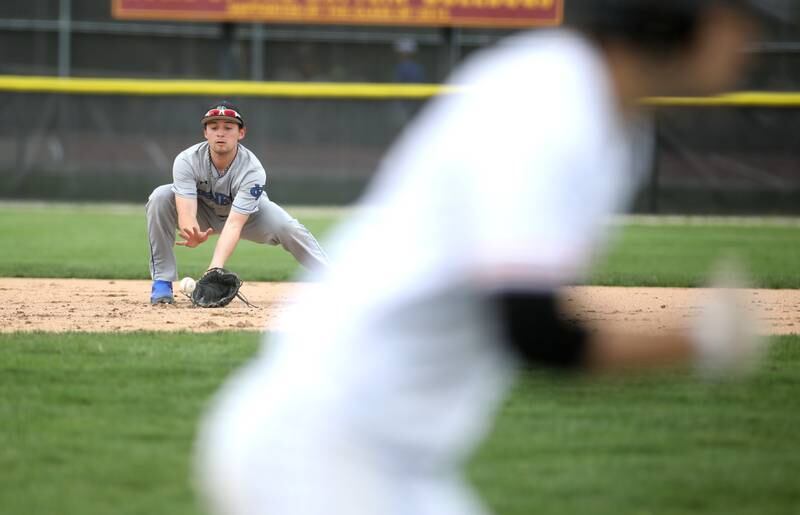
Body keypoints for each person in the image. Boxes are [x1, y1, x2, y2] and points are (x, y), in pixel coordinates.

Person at [194, 1, 784, 514]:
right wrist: (701, 339)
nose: (747, 39)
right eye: (732, 18)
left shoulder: (606, 116)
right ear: (671, 21)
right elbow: (535, 331)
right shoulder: (554, 105)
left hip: (387, 455)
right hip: (323, 449)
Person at [146, 102, 328, 304]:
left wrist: (214, 269)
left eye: (228, 127)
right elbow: (186, 209)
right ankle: (162, 283)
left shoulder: (252, 169)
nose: (220, 133)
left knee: (288, 227)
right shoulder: (187, 160)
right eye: (214, 128)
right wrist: (192, 231)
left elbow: (234, 224)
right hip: (203, 212)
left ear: (241, 133)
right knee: (160, 197)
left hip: (250, 217)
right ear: (205, 133)